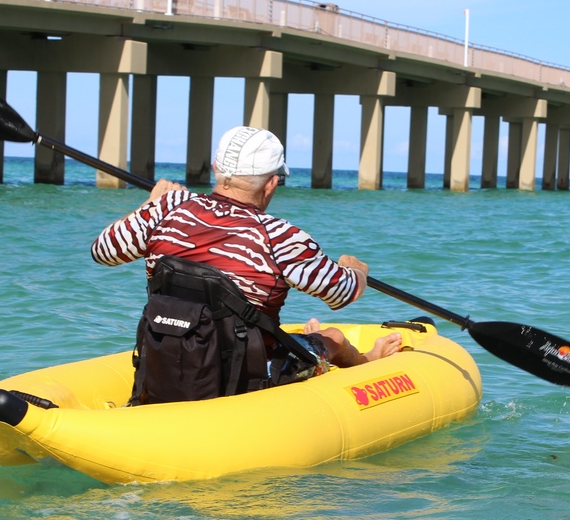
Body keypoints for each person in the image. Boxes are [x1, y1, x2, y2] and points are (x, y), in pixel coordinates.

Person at [91, 125, 402, 389]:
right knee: (332, 336)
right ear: (271, 182)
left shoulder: (167, 208)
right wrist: (355, 269)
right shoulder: (281, 236)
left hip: (167, 357)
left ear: (216, 169)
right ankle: (368, 362)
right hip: (245, 374)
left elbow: (103, 252)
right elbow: (342, 294)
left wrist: (150, 203)